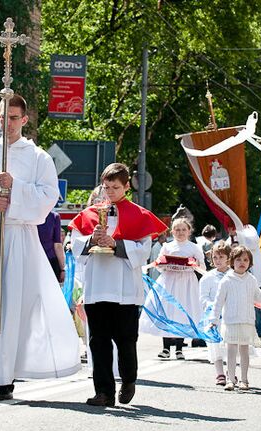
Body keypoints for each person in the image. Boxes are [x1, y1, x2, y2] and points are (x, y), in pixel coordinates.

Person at [0, 94, 81, 402]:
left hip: (19, 237)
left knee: (10, 310)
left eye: (14, 118)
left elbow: (49, 197)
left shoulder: (38, 158)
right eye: (3, 117)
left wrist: (16, 189)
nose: (8, 123)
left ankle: (5, 377)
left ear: (24, 120)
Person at [69, 162, 167, 407]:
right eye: (106, 186)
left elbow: (144, 251)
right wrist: (93, 238)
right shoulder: (90, 214)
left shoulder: (139, 215)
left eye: (115, 187)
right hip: (96, 286)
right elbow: (75, 244)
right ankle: (103, 392)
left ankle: (129, 380)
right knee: (98, 341)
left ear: (126, 187)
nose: (110, 191)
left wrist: (115, 244)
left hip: (124, 289)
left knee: (125, 340)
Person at [211, 246, 261, 391]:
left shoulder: (251, 279)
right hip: (231, 322)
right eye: (238, 259)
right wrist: (213, 320)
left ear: (250, 263)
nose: (242, 262)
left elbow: (259, 297)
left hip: (247, 321)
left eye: (246, 260)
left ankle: (244, 380)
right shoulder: (226, 280)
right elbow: (218, 302)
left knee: (244, 351)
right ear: (232, 262)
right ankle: (230, 379)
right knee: (231, 351)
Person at [139, 217, 206, 360]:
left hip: (186, 283)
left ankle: (180, 348)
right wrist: (163, 265)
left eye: (183, 229)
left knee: (183, 312)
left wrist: (194, 264)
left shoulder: (194, 247)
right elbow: (159, 264)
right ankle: (166, 347)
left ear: (189, 231)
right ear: (172, 231)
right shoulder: (167, 246)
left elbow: (202, 267)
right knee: (167, 311)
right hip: (169, 281)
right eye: (177, 229)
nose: (180, 232)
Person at [198, 242, 231, 386]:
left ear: (228, 258)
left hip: (231, 316)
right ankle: (219, 373)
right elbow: (203, 297)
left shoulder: (234, 275)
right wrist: (213, 306)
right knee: (215, 345)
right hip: (214, 317)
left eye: (221, 257)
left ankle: (231, 373)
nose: (218, 260)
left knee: (231, 344)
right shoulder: (208, 277)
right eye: (215, 257)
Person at [37, 210, 66, 283]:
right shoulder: (54, 216)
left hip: (34, 260)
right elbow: (57, 244)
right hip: (50, 261)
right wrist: (62, 269)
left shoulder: (29, 214)